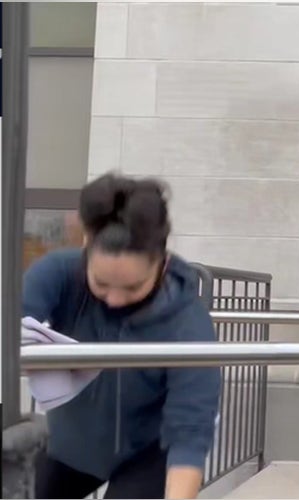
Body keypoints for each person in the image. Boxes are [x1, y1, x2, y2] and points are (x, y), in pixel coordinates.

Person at [23, 173, 222, 499]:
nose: (113, 299)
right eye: (101, 283)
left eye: (131, 287)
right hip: (69, 445)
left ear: (163, 261)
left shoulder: (188, 321)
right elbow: (10, 324)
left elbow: (191, 429)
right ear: (86, 245)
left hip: (146, 455)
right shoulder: (58, 272)